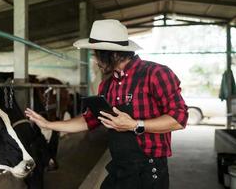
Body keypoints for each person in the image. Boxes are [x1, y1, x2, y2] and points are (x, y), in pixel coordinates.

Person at [25, 19, 188, 189]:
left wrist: (135, 125)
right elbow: (88, 120)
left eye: (97, 54)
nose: (95, 60)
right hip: (120, 167)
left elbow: (179, 118)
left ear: (113, 53)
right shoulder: (107, 85)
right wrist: (49, 124)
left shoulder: (155, 73)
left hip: (148, 171)